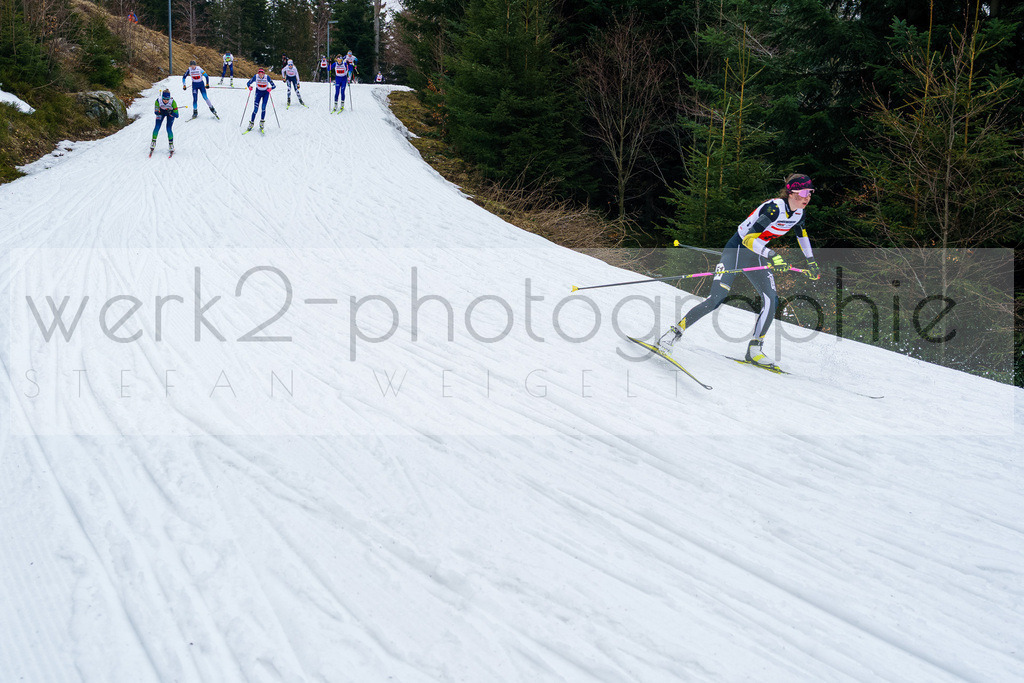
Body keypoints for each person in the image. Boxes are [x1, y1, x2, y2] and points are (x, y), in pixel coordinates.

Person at [659, 174, 821, 369]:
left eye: (810, 192)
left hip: (757, 253)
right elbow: (748, 239)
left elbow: (802, 236)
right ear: (791, 192)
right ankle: (672, 334)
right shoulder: (774, 208)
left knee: (771, 300)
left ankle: (755, 350)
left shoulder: (798, 214)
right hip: (738, 249)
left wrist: (811, 262)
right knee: (716, 298)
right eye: (803, 192)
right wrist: (772, 255)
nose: (807, 197)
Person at [245, 67, 276, 132]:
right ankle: (251, 123)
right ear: (258, 74)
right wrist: (249, 87)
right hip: (258, 93)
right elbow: (248, 83)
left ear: (264, 74)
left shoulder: (267, 77)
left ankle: (262, 122)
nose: (261, 75)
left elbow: (274, 86)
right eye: (259, 74)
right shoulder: (255, 77)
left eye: (262, 74)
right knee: (255, 109)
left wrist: (270, 89)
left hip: (265, 93)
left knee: (263, 107)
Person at [150, 88, 179, 156]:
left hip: (170, 114)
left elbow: (177, 115)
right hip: (161, 113)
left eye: (167, 99)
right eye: (164, 99)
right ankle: (153, 142)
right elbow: (156, 112)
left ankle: (171, 145)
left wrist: (171, 112)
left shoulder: (173, 102)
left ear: (169, 98)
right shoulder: (158, 101)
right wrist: (159, 111)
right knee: (157, 127)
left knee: (168, 128)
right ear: (162, 97)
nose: (165, 101)